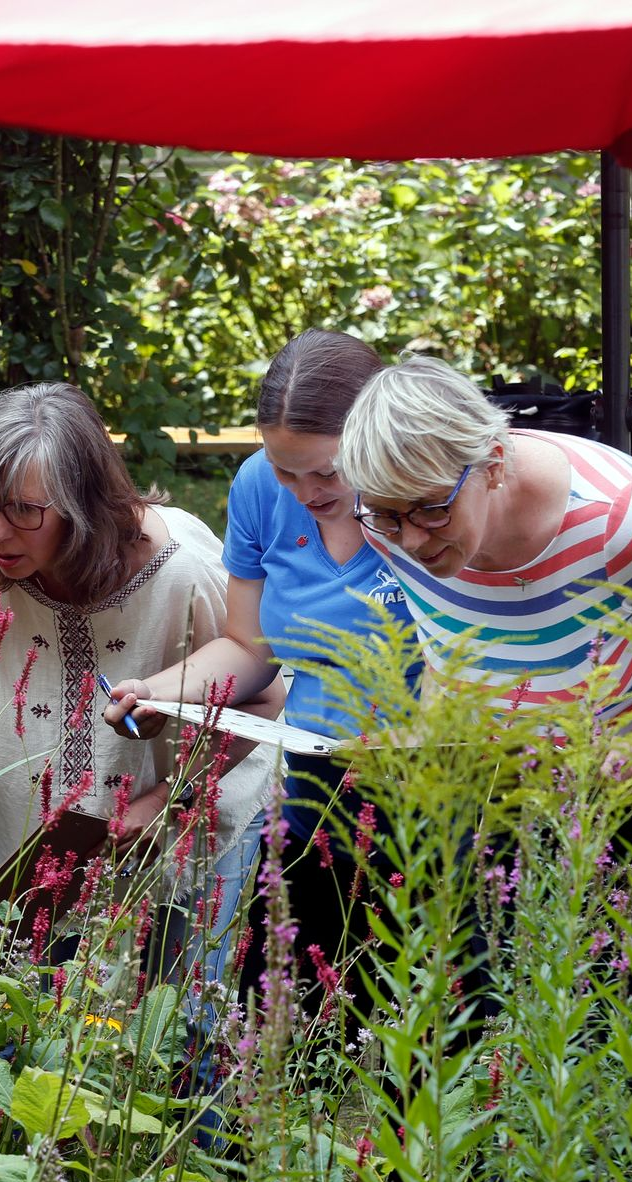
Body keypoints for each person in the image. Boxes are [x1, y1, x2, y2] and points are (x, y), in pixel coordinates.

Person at [338, 356, 632, 1061]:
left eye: (430, 509)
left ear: (491, 461)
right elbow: (452, 646)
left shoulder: (617, 517)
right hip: (542, 805)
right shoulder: (389, 524)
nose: (413, 539)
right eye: (390, 515)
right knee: (551, 1059)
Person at [0, 382, 279, 980]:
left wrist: (164, 799)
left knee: (169, 1037)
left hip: (181, 833)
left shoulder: (182, 572)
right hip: (30, 860)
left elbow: (265, 699)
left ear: (87, 503)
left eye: (24, 510)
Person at [101, 331, 415, 1019]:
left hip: (434, 804)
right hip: (316, 794)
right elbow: (249, 645)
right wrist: (162, 689)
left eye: (327, 473)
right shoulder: (257, 488)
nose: (303, 493)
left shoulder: (424, 501)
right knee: (274, 1032)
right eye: (284, 471)